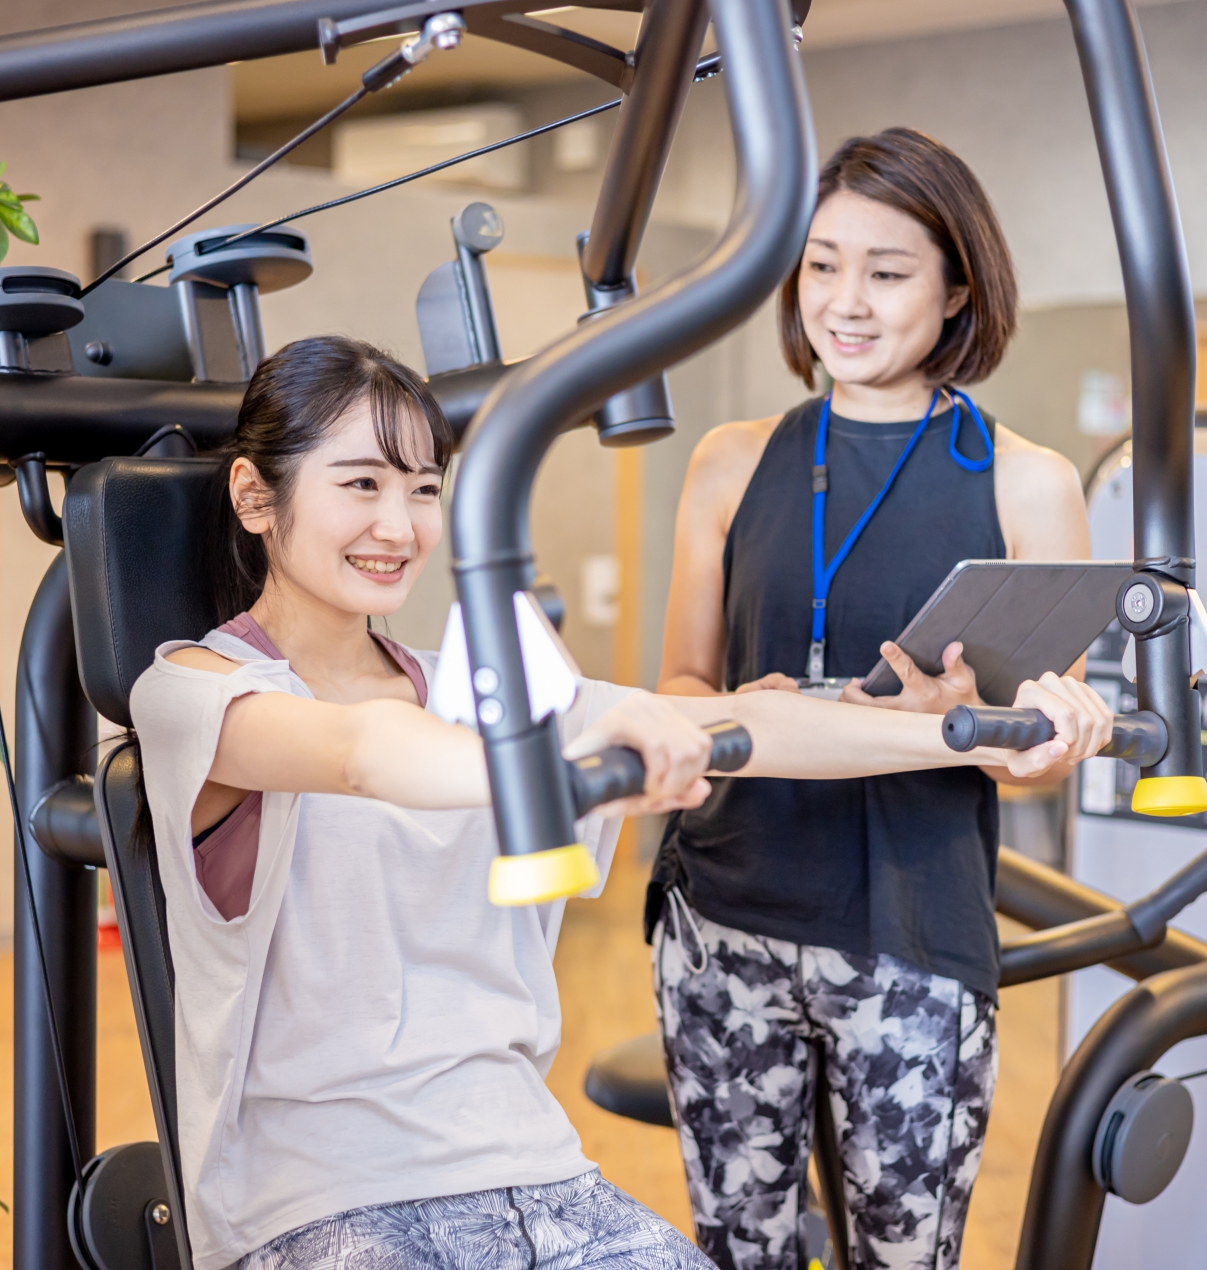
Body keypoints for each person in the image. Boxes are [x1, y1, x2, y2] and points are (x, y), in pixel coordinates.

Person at [128, 335, 1112, 1270]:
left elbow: (753, 727)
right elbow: (360, 752)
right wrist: (564, 761)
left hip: (534, 1171)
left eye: (424, 488)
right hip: (317, 1199)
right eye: (361, 484)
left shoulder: (481, 691)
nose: (400, 525)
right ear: (256, 496)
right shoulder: (196, 695)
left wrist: (992, 729)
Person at [652, 128, 1101, 1270]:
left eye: (887, 271)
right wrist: (730, 706)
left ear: (958, 288)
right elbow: (677, 687)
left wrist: (1007, 726)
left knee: (905, 1257)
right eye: (819, 264)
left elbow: (1043, 747)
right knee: (734, 1251)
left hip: (911, 937)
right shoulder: (731, 459)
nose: (844, 302)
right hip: (723, 920)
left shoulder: (1026, 482)